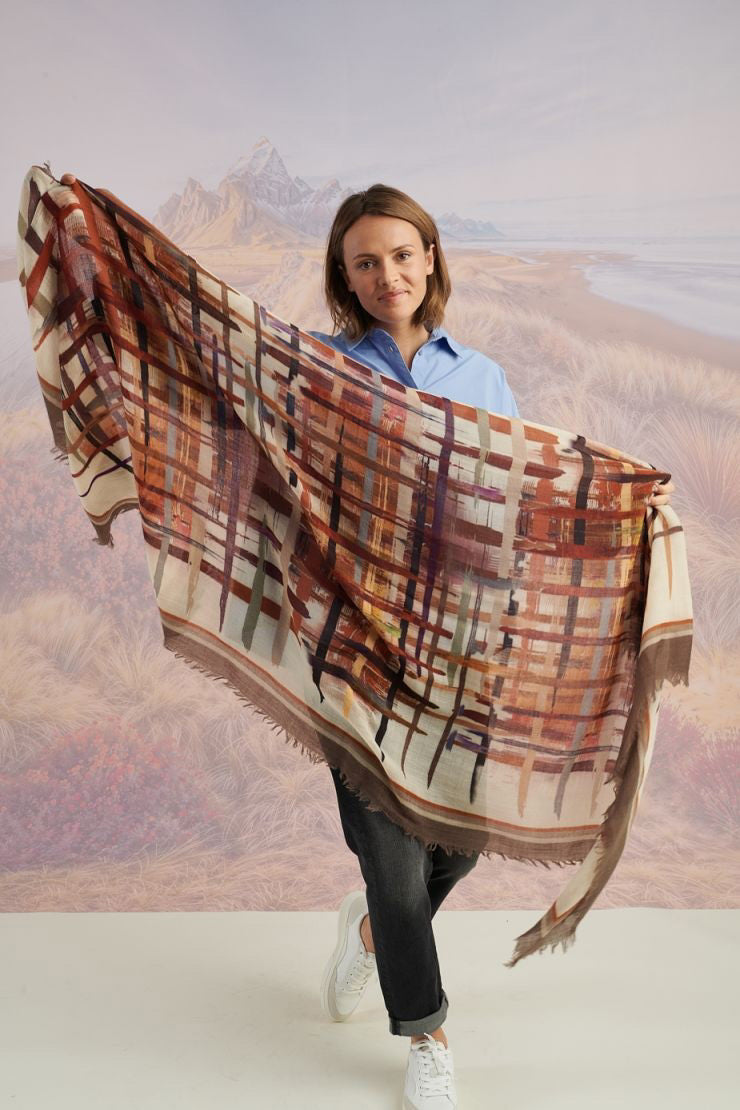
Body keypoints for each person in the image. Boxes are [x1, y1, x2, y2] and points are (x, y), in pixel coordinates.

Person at [59, 171, 675, 1109]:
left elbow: (528, 493)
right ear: (346, 280)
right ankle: (425, 1033)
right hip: (350, 635)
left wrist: (632, 504)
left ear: (430, 260)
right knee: (386, 839)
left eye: (401, 255)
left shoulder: (484, 378)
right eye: (364, 264)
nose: (387, 275)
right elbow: (233, 392)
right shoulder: (318, 370)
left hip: (464, 638)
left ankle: (373, 937)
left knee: (454, 832)